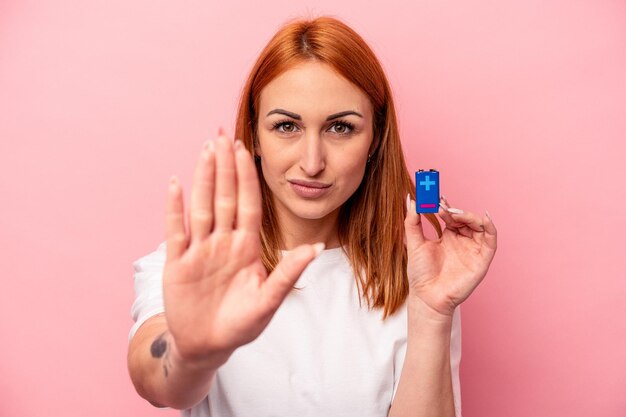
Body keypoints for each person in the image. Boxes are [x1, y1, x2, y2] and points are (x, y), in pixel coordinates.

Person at [127, 15, 497, 417]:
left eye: (340, 128)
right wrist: (189, 355)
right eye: (286, 126)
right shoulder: (193, 266)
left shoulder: (418, 279)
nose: (312, 162)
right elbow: (155, 380)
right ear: (254, 136)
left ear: (375, 139)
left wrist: (430, 314)